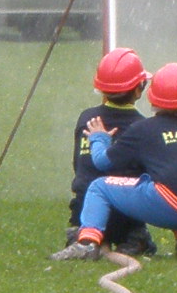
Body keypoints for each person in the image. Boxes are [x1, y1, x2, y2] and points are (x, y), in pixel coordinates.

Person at [52, 62, 177, 261]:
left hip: (170, 207)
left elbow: (102, 162)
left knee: (99, 187)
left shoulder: (143, 128)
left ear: (151, 96)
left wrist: (99, 137)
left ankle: (87, 243)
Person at [64, 49, 159, 258]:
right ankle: (133, 240)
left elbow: (79, 166)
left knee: (86, 203)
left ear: (101, 89)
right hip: (124, 214)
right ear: (138, 90)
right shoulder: (142, 126)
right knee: (136, 229)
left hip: (83, 209)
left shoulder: (86, 118)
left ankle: (86, 237)